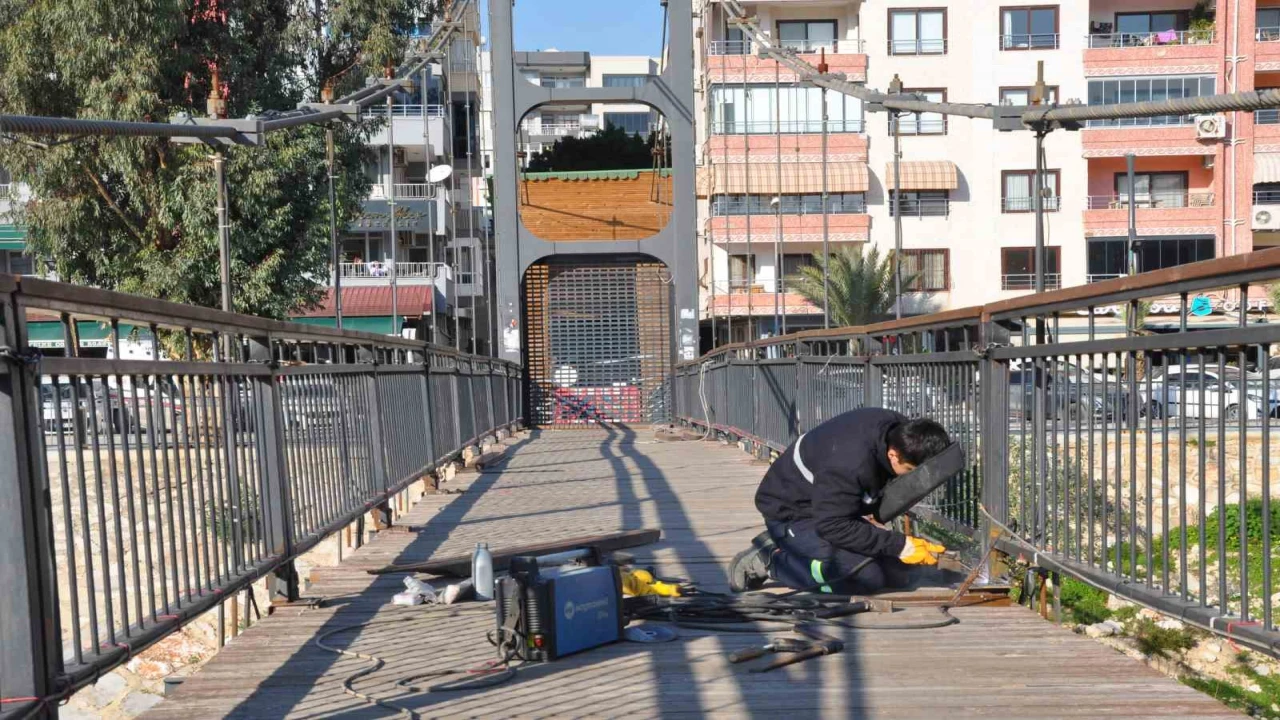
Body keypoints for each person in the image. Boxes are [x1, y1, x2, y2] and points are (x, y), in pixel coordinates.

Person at [728, 408, 951, 595]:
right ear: (893, 454)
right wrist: (899, 544)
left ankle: (792, 547)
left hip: (831, 506)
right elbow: (833, 525)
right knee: (863, 577)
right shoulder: (848, 464)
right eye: (909, 471)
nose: (908, 477)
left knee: (900, 574)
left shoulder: (899, 430)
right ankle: (771, 559)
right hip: (793, 512)